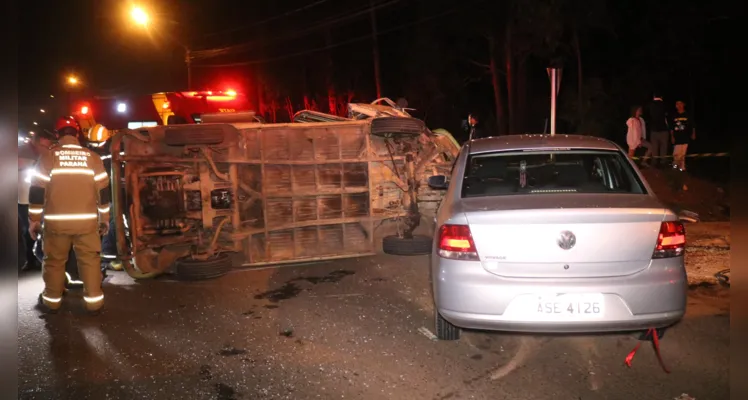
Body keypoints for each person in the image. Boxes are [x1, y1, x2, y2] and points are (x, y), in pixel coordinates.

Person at [28, 116, 111, 314]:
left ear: (57, 135)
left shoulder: (48, 157)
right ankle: (94, 303)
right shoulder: (92, 157)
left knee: (55, 262)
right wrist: (105, 219)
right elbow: (103, 193)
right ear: (77, 134)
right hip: (87, 224)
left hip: (56, 225)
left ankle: (52, 302)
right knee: (90, 261)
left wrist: (34, 220)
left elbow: (37, 191)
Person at [18, 132, 54, 271]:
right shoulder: (20, 152)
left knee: (44, 229)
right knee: (28, 232)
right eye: (44, 145)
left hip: (42, 199)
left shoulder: (49, 155)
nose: (46, 148)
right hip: (24, 198)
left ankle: (41, 257)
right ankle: (32, 260)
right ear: (35, 141)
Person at [670, 100, 695, 190]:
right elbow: (672, 128)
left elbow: (692, 125)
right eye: (677, 104)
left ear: (683, 104)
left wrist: (693, 133)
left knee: (682, 159)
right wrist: (672, 136)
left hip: (685, 139)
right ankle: (674, 177)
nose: (678, 105)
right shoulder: (674, 115)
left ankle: (682, 181)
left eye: (680, 103)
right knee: (675, 157)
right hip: (677, 139)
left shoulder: (687, 115)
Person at [647, 93, 670, 167]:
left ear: (654, 96)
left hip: (654, 130)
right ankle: (663, 163)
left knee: (654, 147)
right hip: (663, 130)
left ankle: (654, 163)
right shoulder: (664, 105)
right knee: (663, 147)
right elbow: (667, 117)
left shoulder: (650, 105)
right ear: (661, 97)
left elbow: (648, 117)